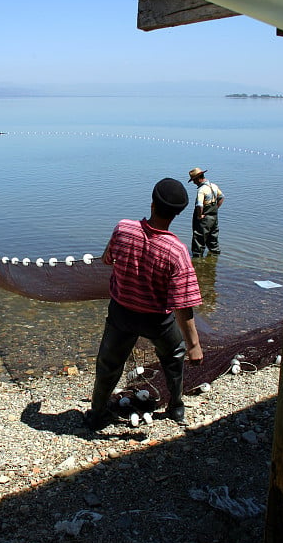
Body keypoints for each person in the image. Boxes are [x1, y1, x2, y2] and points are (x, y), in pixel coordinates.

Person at [85, 178, 203, 431]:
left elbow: (108, 258)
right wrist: (194, 345)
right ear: (178, 213)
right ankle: (176, 407)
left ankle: (96, 414)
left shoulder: (123, 228)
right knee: (173, 356)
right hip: (157, 320)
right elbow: (183, 304)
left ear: (152, 204)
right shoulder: (177, 251)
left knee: (108, 364)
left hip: (121, 313)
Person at [188, 167, 224, 258]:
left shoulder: (201, 190)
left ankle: (197, 262)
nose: (193, 182)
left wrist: (200, 216)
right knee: (213, 239)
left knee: (198, 240)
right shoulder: (214, 186)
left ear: (198, 178)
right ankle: (215, 258)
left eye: (193, 180)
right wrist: (215, 209)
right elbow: (222, 197)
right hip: (213, 217)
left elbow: (199, 205)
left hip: (204, 219)